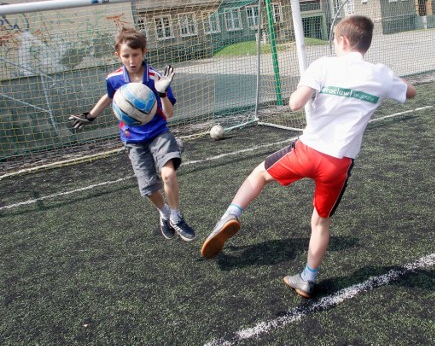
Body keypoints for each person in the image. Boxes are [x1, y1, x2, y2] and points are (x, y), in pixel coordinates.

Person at [200, 15, 417, 298]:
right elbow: (411, 92)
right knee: (320, 222)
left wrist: (308, 93)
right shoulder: (380, 74)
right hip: (338, 164)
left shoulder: (324, 65)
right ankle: (307, 278)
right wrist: (388, 78)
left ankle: (230, 215)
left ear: (342, 41)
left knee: (260, 174)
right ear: (365, 44)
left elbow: (294, 104)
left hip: (308, 151)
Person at [69, 26, 196, 241]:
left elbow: (170, 113)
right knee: (147, 187)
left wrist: (162, 92)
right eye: (125, 55)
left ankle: (176, 216)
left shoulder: (156, 77)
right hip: (133, 139)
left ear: (144, 52)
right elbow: (110, 97)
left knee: (168, 174)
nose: (131, 60)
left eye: (135, 55)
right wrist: (91, 116)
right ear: (117, 55)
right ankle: (164, 213)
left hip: (158, 133)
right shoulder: (114, 79)